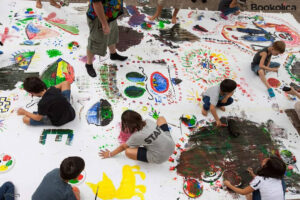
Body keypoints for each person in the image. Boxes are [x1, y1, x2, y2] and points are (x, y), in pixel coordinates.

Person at [99, 110, 175, 164]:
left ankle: (152, 155)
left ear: (127, 125)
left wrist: (109, 154)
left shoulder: (136, 136)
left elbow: (123, 147)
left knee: (128, 152)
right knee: (160, 118)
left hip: (159, 157)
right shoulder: (148, 121)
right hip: (171, 145)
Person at [85, 0, 128, 78]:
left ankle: (113, 54)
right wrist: (104, 24)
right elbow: (96, 3)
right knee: (95, 41)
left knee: (112, 36)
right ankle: (89, 64)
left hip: (110, 15)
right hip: (99, 18)